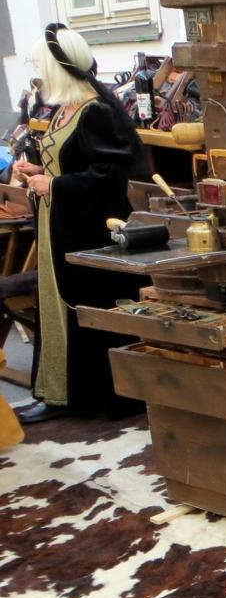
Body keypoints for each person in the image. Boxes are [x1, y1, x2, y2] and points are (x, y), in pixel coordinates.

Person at [12, 23, 143, 424]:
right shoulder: (67, 108)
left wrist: (54, 183)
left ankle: (91, 396)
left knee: (84, 308)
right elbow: (75, 162)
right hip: (58, 224)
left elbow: (109, 176)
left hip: (87, 230)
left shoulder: (96, 111)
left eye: (41, 64)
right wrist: (39, 171)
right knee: (55, 307)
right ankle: (59, 392)